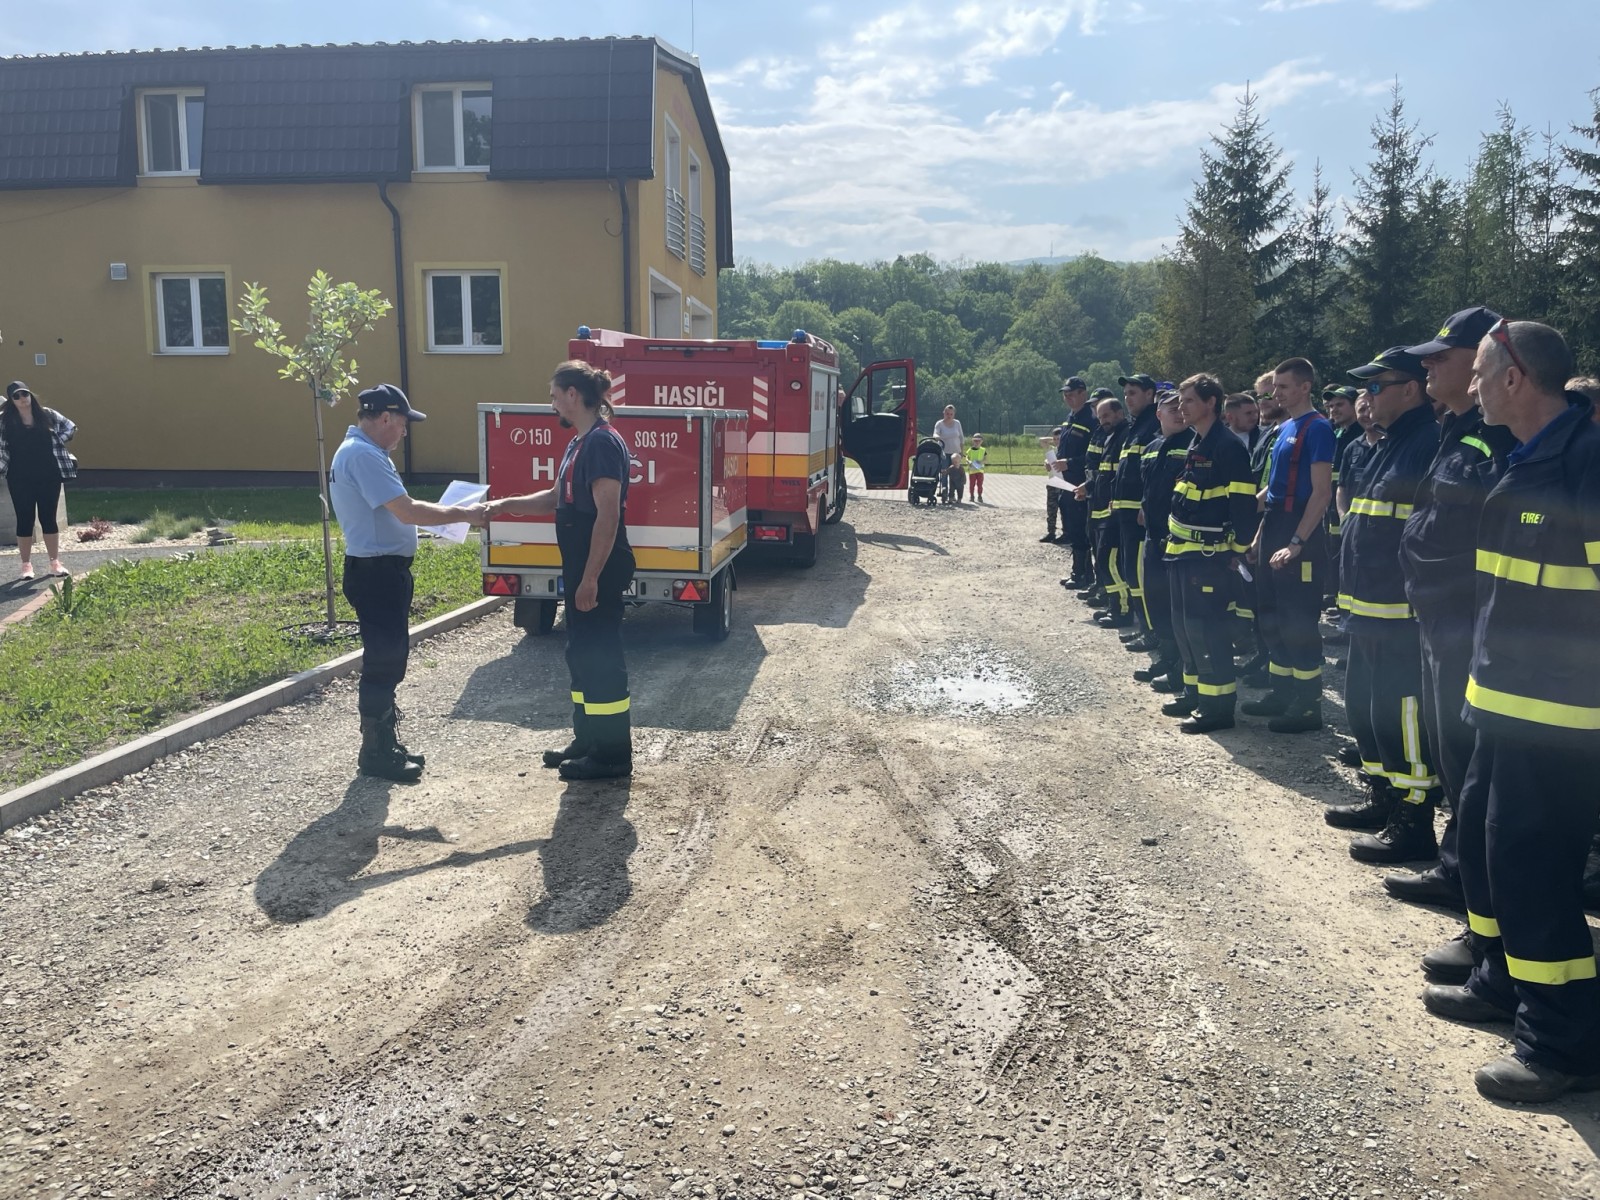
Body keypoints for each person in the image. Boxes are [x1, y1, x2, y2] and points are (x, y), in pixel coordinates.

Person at [1422, 321, 1600, 1103]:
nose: (1471, 386)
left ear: (1516, 377)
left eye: (1481, 373)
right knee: (1487, 850)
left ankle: (1563, 1041)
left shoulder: (1584, 463)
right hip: (1500, 706)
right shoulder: (1528, 457)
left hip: (1560, 722)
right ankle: (1502, 981)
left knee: (1534, 871)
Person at [1385, 306, 1515, 918]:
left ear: (1481, 361)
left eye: (1442, 356)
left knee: (1467, 761)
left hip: (1466, 617)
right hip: (1438, 616)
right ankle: (1458, 868)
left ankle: (1477, 898)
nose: (1429, 366)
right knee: (1449, 753)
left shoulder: (1497, 438)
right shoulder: (1456, 428)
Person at [485, 361, 638, 781]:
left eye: (554, 395)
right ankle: (587, 740)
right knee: (581, 654)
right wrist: (504, 505)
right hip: (581, 564)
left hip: (598, 566)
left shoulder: (602, 443)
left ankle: (612, 755)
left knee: (600, 657)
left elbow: (607, 516)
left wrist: (590, 579)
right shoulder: (579, 442)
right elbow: (557, 497)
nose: (551, 403)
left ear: (573, 395)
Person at [329, 384, 488, 783]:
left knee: (389, 658)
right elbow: (407, 511)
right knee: (383, 662)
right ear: (385, 417)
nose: (403, 432)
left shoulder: (363, 452)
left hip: (379, 570)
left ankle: (384, 744)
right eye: (402, 423)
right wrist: (465, 514)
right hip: (377, 572)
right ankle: (375, 753)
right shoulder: (364, 455)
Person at [1321, 348, 1442, 865]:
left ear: (1410, 389)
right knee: (1366, 707)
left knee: (1402, 713)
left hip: (1399, 612)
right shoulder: (1387, 444)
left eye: (1376, 386)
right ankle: (1383, 796)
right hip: (1366, 606)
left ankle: (1414, 821)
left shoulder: (1427, 443)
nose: (1366, 398)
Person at [1241, 358, 1335, 734]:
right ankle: (1282, 693)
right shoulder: (1284, 428)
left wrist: (1298, 542)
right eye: (1274, 386)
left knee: (1298, 622)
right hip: (1275, 528)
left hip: (1300, 533)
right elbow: (1274, 492)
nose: (1275, 393)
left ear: (1304, 387)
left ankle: (1308, 705)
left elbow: (1322, 493)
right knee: (1271, 616)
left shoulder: (1318, 428)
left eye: (1283, 387)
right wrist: (1258, 538)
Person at [1162, 374, 1257, 734]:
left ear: (1210, 403)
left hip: (1209, 558)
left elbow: (1243, 505)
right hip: (1182, 555)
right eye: (1180, 401)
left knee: (1209, 631)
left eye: (1188, 400)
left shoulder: (1227, 447)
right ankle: (1195, 694)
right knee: (1186, 629)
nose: (1181, 407)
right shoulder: (1198, 443)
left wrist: (1238, 550)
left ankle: (1218, 708)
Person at [1132, 389, 1191, 693]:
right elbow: (1148, 484)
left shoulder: (1193, 443)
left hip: (1177, 539)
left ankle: (1182, 665)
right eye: (1171, 409)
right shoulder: (1152, 447)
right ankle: (1167, 658)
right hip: (1153, 536)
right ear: (1158, 414)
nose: (1179, 413)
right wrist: (1144, 507)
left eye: (1181, 407)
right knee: (1155, 599)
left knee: (1176, 604)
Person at [0, 381, 77, 581]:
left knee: (48, 518)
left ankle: (55, 562)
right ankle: (26, 565)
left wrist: (58, 440)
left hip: (49, 475)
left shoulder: (47, 415)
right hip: (19, 477)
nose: (22, 399)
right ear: (11, 400)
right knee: (24, 519)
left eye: (24, 394)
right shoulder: (5, 421)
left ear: (30, 394)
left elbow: (70, 427)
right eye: (16, 396)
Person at [1112, 374, 1161, 650]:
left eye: (1133, 393)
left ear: (1150, 394)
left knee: (1140, 575)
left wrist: (1145, 502)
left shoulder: (1153, 425)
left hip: (1139, 515)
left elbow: (1152, 473)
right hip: (1125, 512)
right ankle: (1144, 626)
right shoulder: (1136, 427)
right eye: (1126, 393)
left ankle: (1152, 632)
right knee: (1130, 572)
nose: (1127, 398)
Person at [1078, 394, 1131, 626]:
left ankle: (1122, 610)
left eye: (1107, 416)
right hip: (1102, 506)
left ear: (1119, 413)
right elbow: (1102, 472)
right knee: (1104, 561)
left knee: (1110, 562)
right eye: (1100, 417)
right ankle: (1114, 605)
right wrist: (1088, 487)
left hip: (1114, 510)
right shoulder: (1110, 437)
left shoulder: (1125, 435)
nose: (1103, 421)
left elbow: (1120, 476)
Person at [1055, 379, 1096, 583]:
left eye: (1071, 394)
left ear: (1083, 393)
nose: (1067, 398)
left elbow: (1093, 455)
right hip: (1065, 482)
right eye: (1065, 394)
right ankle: (1078, 571)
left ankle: (1084, 574)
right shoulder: (1070, 417)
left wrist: (1069, 463)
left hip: (1081, 483)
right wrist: (1054, 461)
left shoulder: (1091, 419)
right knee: (1071, 527)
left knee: (1081, 528)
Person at [933, 405, 964, 469]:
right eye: (947, 414)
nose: (949, 416)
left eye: (951, 414)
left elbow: (961, 437)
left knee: (955, 471)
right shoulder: (939, 423)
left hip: (956, 452)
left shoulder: (957, 423)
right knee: (944, 471)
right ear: (944, 413)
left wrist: (962, 451)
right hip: (944, 453)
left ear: (954, 414)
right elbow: (935, 433)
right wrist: (937, 436)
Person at [965, 434, 987, 503]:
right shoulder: (970, 450)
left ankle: (980, 496)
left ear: (981, 441)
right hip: (972, 470)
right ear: (973, 441)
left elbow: (985, 459)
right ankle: (972, 496)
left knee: (980, 484)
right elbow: (967, 458)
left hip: (980, 470)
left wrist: (981, 462)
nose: (977, 442)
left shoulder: (983, 450)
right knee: (972, 484)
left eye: (978, 441)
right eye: (975, 441)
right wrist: (968, 461)